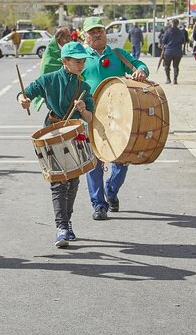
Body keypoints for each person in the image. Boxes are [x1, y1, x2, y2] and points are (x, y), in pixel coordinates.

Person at [18, 41, 94, 248]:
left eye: (83, 61)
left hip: (75, 134)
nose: (81, 65)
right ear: (64, 61)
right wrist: (23, 100)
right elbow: (25, 93)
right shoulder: (48, 79)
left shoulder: (84, 87)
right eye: (77, 61)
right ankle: (61, 227)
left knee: (73, 181)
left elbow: (89, 118)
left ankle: (66, 222)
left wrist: (83, 108)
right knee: (58, 181)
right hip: (51, 134)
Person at [80, 16, 148, 219]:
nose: (97, 34)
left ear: (105, 33)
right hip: (90, 117)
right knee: (93, 162)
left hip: (119, 116)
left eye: (99, 30)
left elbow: (139, 64)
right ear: (85, 36)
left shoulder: (118, 54)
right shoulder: (80, 57)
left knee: (122, 160)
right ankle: (99, 205)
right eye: (92, 32)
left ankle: (111, 191)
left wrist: (141, 71)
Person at [160, 19, 184, 84]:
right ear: (178, 24)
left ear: (172, 23)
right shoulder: (180, 32)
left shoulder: (168, 31)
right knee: (176, 66)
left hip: (168, 51)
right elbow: (183, 41)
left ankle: (168, 79)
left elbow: (164, 40)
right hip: (178, 51)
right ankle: (175, 80)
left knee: (167, 66)